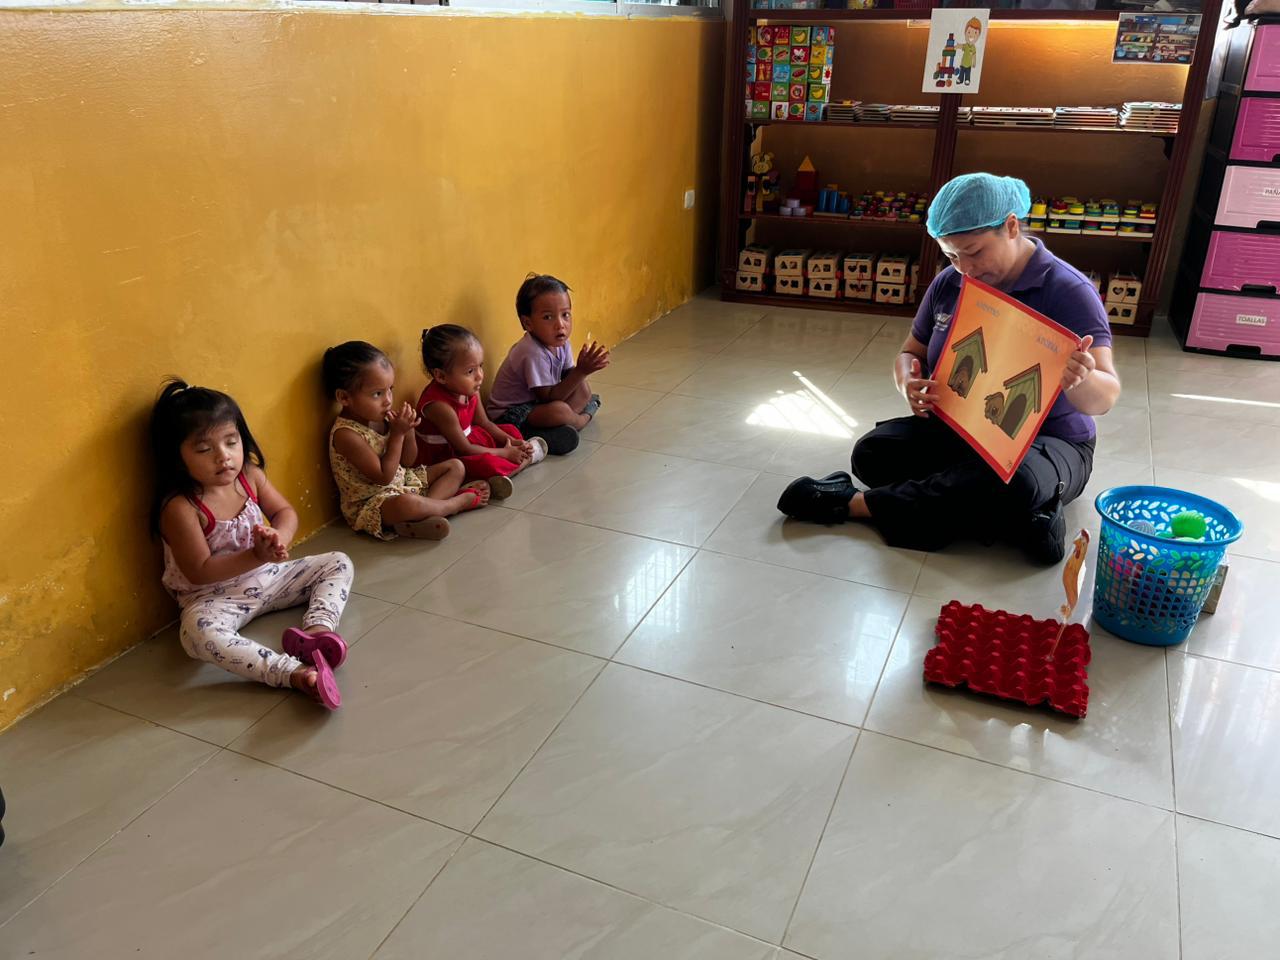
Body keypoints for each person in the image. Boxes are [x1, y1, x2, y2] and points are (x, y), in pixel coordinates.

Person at [778, 173, 1121, 564]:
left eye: (974, 252)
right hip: (966, 429)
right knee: (871, 454)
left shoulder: (1068, 290)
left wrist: (1081, 378)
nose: (966, 269)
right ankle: (1022, 519)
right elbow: (911, 352)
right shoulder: (949, 283)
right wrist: (908, 381)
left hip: (1051, 443)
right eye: (952, 256)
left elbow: (1105, 397)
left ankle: (855, 504)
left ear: (1011, 226)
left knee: (1017, 481)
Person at [151, 380, 352, 709]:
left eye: (231, 442)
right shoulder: (181, 507)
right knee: (198, 635)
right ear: (176, 457)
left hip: (269, 578)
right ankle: (292, 673)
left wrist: (280, 539)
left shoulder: (250, 476)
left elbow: (285, 512)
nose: (223, 457)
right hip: (214, 599)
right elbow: (200, 571)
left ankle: (317, 631)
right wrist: (257, 555)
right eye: (204, 449)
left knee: (338, 561)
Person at [324, 341, 489, 542]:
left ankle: (425, 513)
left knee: (456, 467)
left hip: (402, 482)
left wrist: (408, 432)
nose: (388, 400)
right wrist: (397, 435)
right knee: (407, 504)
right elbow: (384, 477)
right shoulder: (346, 435)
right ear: (344, 397)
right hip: (375, 502)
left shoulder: (382, 417)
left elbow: (408, 461)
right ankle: (454, 504)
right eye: (377, 394)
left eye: (390, 389)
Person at [415, 324, 548, 499]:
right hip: (447, 456)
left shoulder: (469, 389)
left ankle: (504, 470)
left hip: (470, 440)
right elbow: (464, 448)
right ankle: (522, 462)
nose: (479, 375)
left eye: (480, 366)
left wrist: (513, 441)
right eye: (470, 371)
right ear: (441, 376)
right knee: (487, 463)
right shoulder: (439, 406)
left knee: (510, 430)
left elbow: (484, 423)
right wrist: (505, 453)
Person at [488, 274, 611, 455]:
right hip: (510, 415)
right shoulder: (531, 352)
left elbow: (568, 377)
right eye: (548, 317)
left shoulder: (561, 342)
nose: (560, 325)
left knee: (583, 389)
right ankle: (580, 420)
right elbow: (549, 398)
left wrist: (581, 371)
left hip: (537, 405)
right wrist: (581, 371)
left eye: (565, 315)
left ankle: (559, 426)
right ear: (528, 323)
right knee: (559, 410)